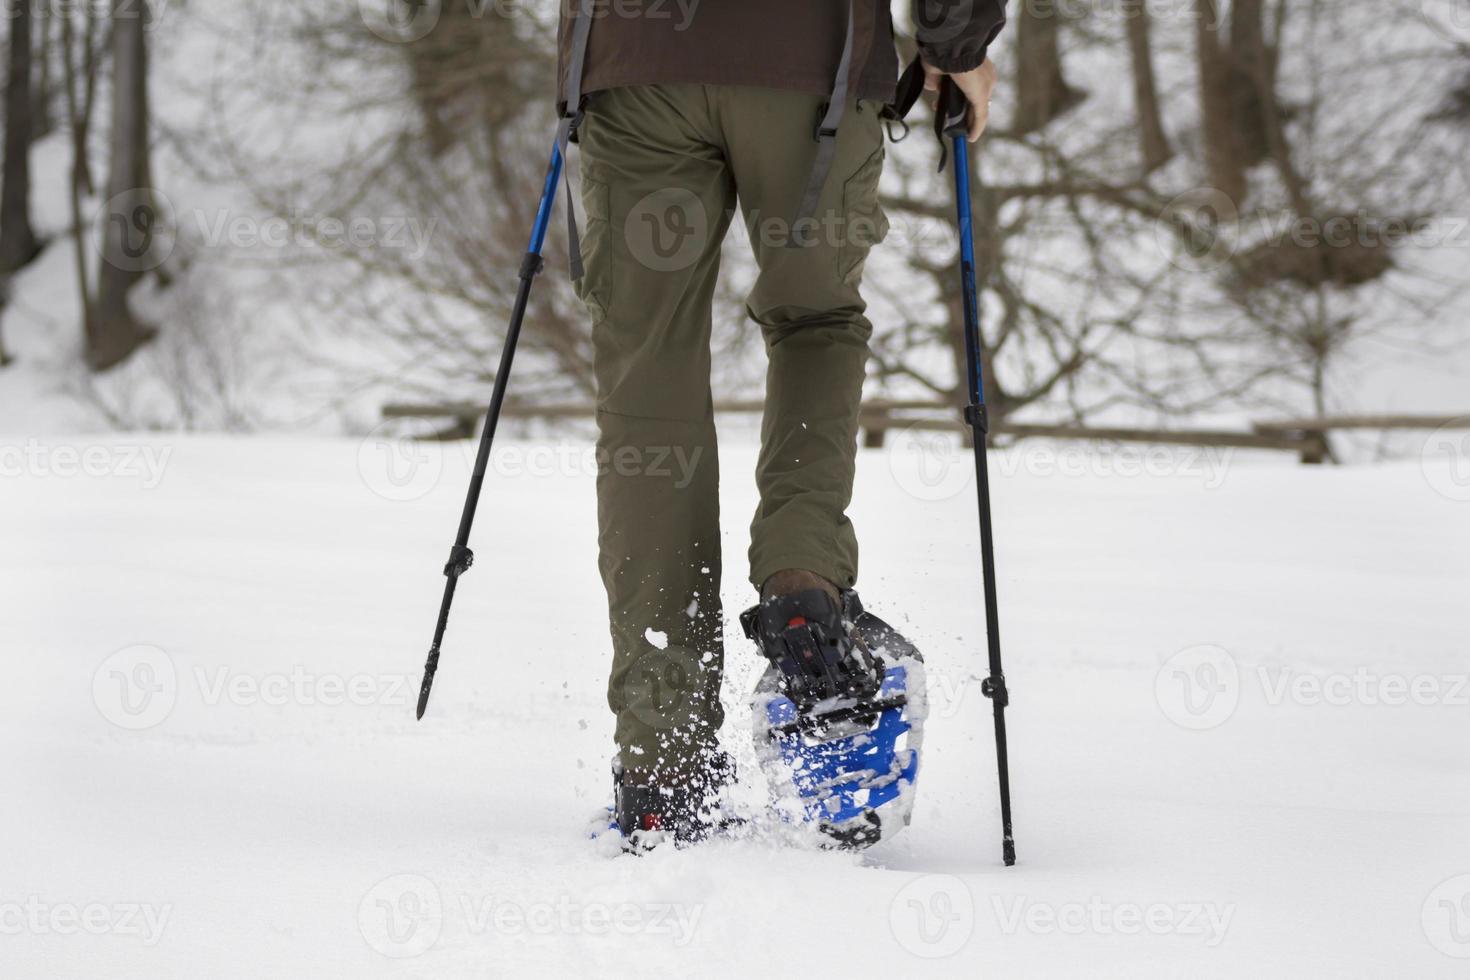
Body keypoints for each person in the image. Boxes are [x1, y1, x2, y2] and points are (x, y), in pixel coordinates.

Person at [557, 0, 1008, 845]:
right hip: (814, 64)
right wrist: (958, 42)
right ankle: (803, 582)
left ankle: (664, 764)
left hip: (636, 60)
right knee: (815, 323)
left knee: (648, 375)